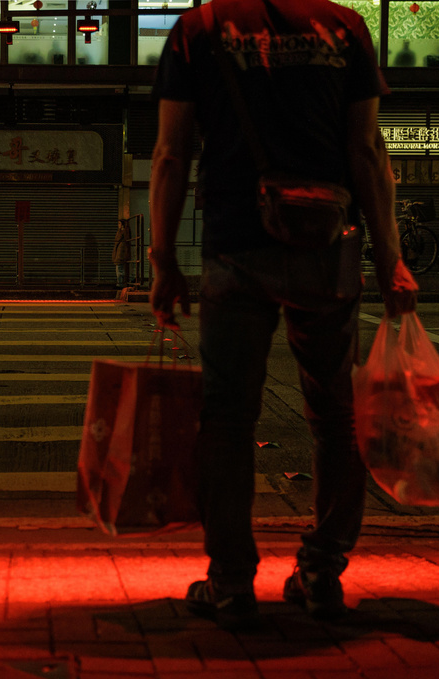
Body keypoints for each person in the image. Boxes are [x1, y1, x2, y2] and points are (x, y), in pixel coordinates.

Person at [149, 0, 418, 628]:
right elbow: (367, 150)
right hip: (329, 247)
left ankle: (231, 582)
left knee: (228, 419)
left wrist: (163, 262)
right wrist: (391, 257)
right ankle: (322, 571)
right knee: (336, 417)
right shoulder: (344, 27)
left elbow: (170, 153)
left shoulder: (199, 29)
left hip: (236, 246)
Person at [112, 219, 131, 287]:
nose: (118, 225)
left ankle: (120, 284)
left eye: (119, 223)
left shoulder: (124, 232)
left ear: (122, 225)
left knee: (120, 269)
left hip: (120, 254)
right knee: (119, 269)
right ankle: (120, 283)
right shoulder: (120, 232)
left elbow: (126, 241)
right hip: (119, 253)